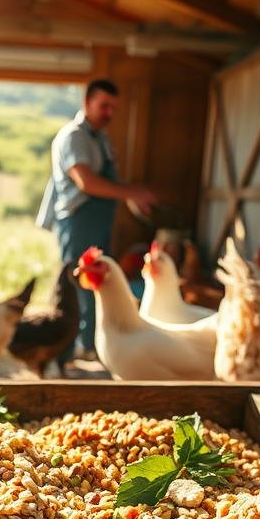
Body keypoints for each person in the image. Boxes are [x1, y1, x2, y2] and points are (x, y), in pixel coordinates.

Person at [37, 78, 157, 361]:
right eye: (104, 106)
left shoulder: (99, 138)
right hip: (79, 218)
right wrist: (131, 192)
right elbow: (86, 182)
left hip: (98, 219)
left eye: (113, 108)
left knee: (94, 285)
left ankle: (88, 347)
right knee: (75, 287)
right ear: (87, 103)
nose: (109, 113)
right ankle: (63, 355)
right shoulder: (74, 136)